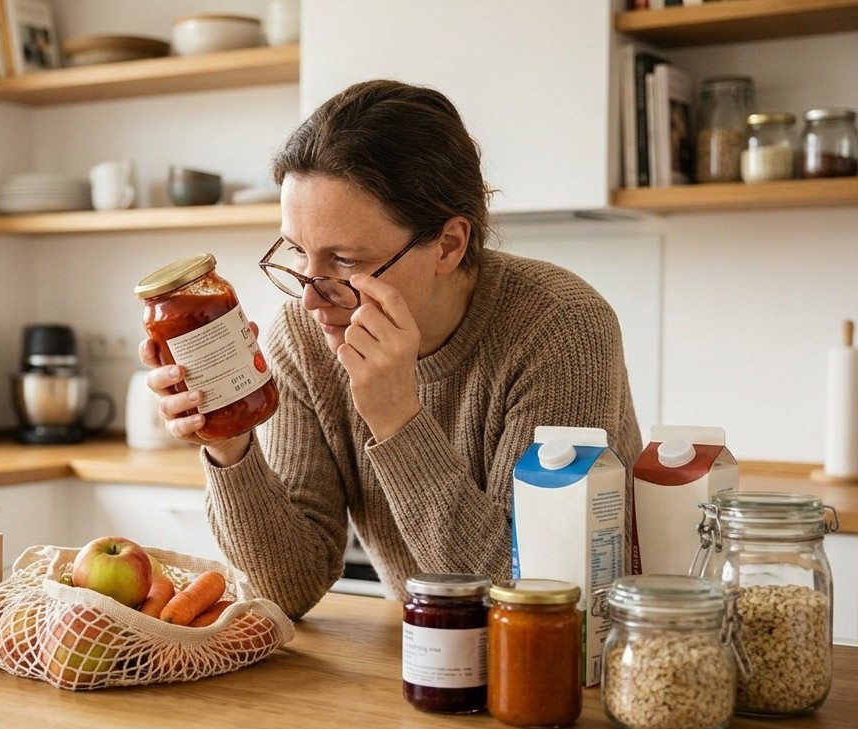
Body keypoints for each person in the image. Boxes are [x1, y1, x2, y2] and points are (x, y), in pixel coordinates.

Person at [139, 79, 642, 620]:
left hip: (590, 655)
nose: (311, 296)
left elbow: (526, 600)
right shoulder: (305, 337)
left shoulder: (560, 327)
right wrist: (231, 441)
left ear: (449, 244)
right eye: (298, 252)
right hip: (419, 650)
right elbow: (287, 589)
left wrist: (397, 416)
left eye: (346, 261)